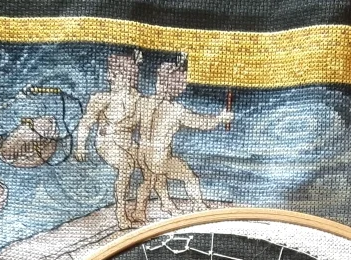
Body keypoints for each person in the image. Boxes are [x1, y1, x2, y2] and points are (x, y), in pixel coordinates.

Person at [133, 62, 233, 223]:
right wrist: (221, 118)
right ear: (175, 86)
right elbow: (201, 123)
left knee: (150, 180)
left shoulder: (143, 102)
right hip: (159, 155)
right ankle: (198, 205)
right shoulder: (176, 110)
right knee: (189, 177)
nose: (183, 87)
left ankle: (147, 209)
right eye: (182, 84)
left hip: (142, 151)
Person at [74, 53, 143, 229]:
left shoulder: (138, 99)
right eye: (111, 73)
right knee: (126, 166)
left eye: (116, 74)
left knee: (149, 165)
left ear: (128, 76)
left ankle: (141, 209)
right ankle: (121, 214)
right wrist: (80, 146)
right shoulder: (102, 99)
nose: (110, 77)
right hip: (107, 142)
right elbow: (86, 123)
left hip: (128, 142)